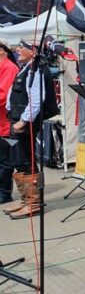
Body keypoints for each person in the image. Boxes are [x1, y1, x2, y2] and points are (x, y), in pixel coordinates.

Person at [4, 40, 56, 219]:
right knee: (20, 160)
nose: (18, 50)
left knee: (27, 160)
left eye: (22, 48)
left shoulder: (37, 69)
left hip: (24, 124)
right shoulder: (27, 68)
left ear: (33, 51)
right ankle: (25, 200)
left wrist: (24, 121)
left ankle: (33, 203)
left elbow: (36, 98)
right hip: (16, 120)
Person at [0, 41, 19, 205]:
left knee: (5, 161)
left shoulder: (9, 67)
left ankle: (4, 193)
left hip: (5, 125)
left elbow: (4, 95)